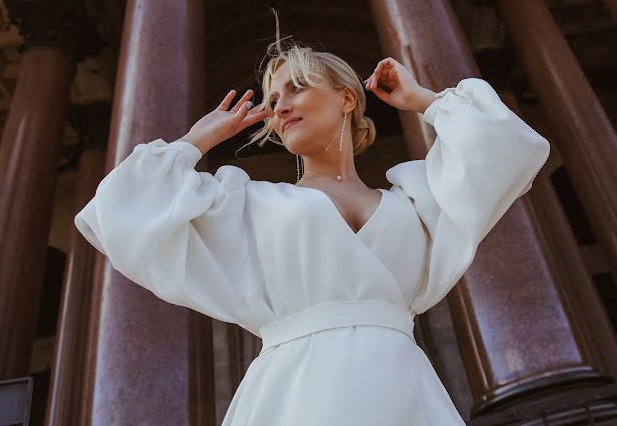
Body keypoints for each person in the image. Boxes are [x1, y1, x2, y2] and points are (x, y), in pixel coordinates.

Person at [75, 32, 551, 426]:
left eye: (297, 88)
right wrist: (198, 139)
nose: (280, 106)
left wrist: (423, 101)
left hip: (404, 390)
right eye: (273, 98)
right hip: (294, 394)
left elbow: (507, 147)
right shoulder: (250, 202)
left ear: (347, 98)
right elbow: (120, 208)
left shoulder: (416, 199)